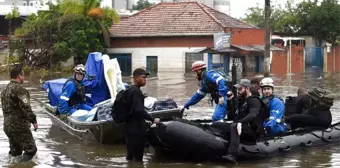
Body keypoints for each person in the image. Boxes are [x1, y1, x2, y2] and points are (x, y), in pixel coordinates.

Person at [222, 79, 266, 163]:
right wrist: (230, 101)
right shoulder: (241, 101)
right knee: (217, 125)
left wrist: (240, 122)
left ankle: (232, 155)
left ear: (247, 89)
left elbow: (253, 114)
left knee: (234, 126)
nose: (238, 91)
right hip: (240, 128)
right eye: (238, 89)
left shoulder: (254, 100)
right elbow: (232, 116)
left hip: (252, 131)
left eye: (240, 89)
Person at [1, 66, 38, 161]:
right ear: (19, 76)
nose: (24, 78)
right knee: (31, 150)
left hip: (7, 126)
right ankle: (19, 165)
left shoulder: (4, 90)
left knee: (15, 153)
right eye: (23, 75)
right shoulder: (19, 89)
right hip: (19, 126)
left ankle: (12, 164)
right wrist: (34, 120)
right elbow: (26, 107)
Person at [124, 68, 160, 162]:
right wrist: (152, 119)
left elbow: (133, 110)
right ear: (136, 78)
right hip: (136, 130)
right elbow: (139, 110)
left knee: (129, 158)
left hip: (128, 128)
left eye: (146, 77)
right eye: (143, 77)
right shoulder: (136, 91)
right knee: (138, 160)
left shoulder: (129, 89)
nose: (145, 79)